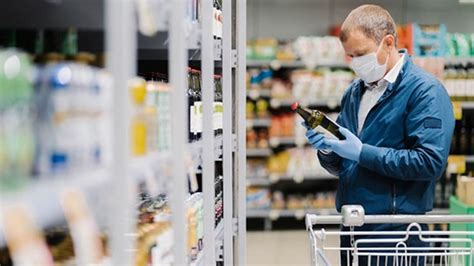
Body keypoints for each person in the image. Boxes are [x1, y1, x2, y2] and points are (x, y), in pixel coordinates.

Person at [302, 4, 455, 265]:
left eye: (360, 54)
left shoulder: (425, 92)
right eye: (349, 56)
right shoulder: (354, 92)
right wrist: (327, 149)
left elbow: (429, 162)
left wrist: (363, 152)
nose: (355, 64)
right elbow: (342, 166)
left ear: (388, 43)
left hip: (397, 233)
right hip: (353, 227)